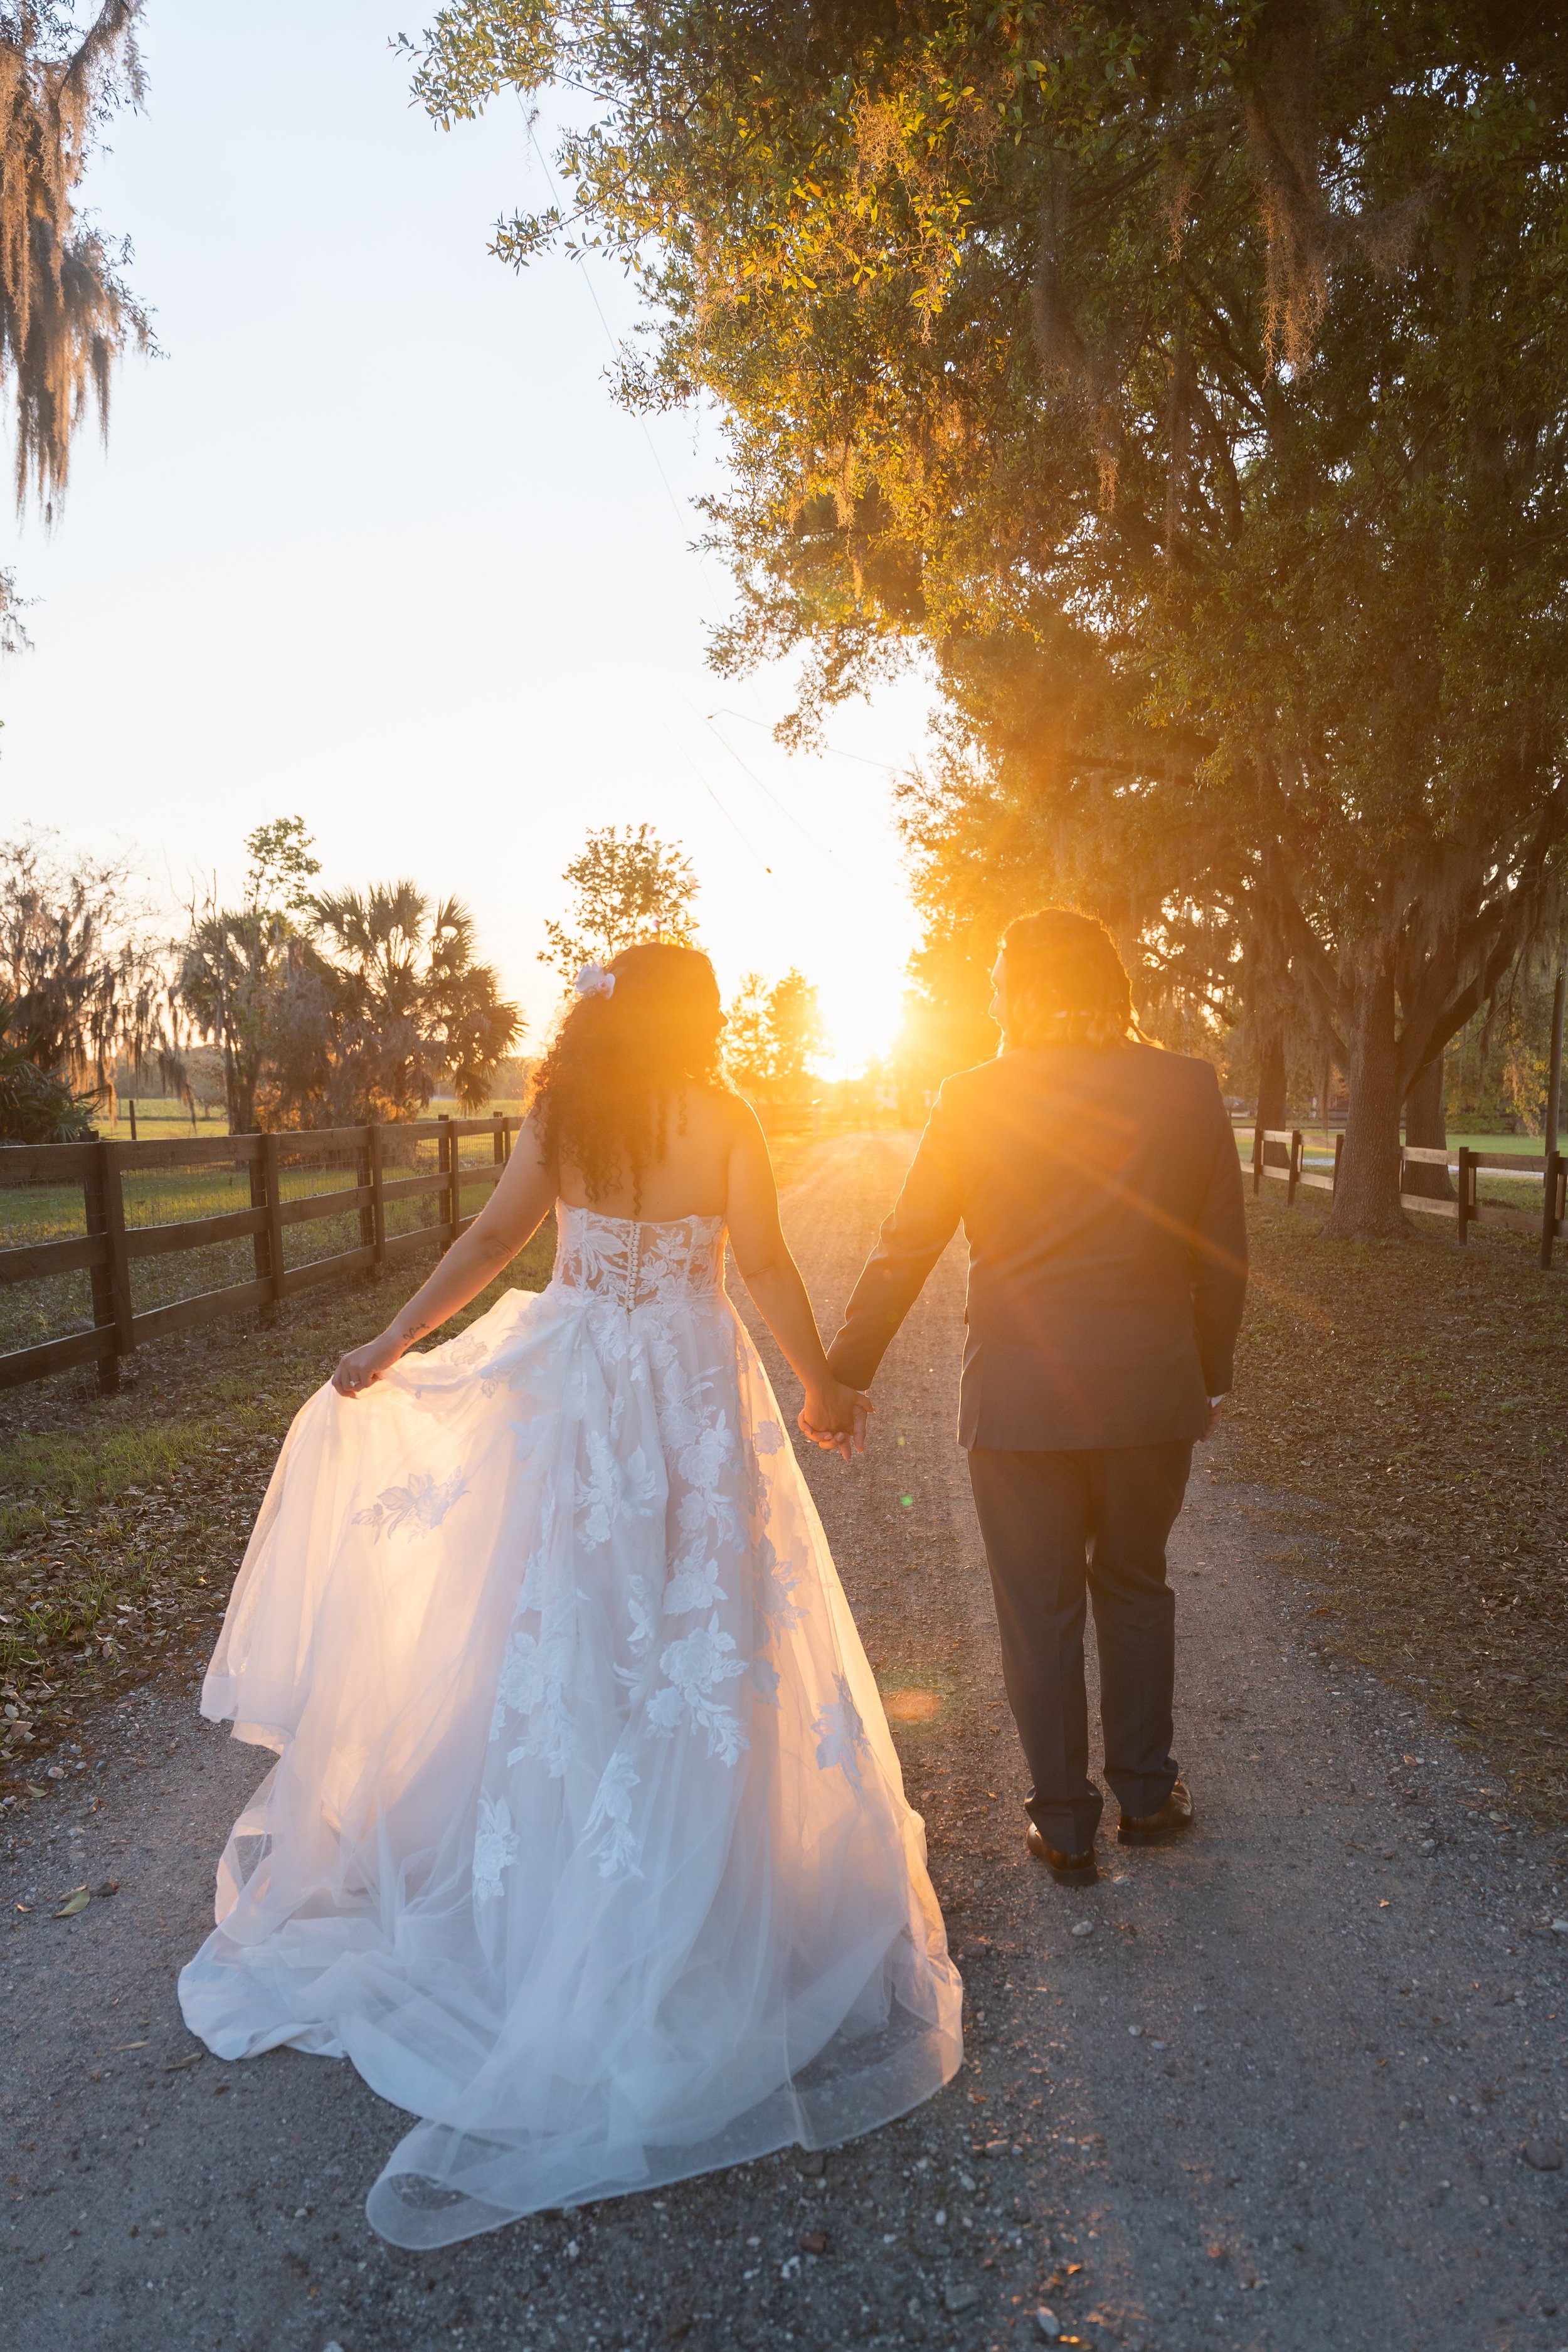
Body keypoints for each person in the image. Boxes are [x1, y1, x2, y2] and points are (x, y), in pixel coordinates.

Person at [179, 943, 961, 2247]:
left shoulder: (564, 1113)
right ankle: (687, 1885)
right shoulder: (722, 1117)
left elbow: (493, 1240)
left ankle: (570, 1872)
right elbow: (761, 1262)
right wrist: (821, 1387)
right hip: (692, 1393)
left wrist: (390, 1343)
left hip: (576, 1386)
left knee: (570, 1631)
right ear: (692, 1020)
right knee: (698, 1636)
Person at [816, 910, 1248, 1886]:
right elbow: (1224, 1254)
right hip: (1148, 1391)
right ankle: (1145, 1793)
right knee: (1135, 1582)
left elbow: (907, 1240)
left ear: (1022, 988)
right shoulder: (1185, 1085)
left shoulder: (974, 1095)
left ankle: (1064, 1823)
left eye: (1000, 978)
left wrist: (846, 1372)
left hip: (1018, 1400)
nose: (994, 995)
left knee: (1038, 1605)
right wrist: (1208, 1375)